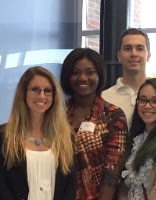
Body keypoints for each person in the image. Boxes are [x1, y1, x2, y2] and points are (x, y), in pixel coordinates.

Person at [0, 66, 76, 200]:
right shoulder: (4, 136)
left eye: (47, 91)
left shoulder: (66, 136)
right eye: (35, 90)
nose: (42, 95)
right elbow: (0, 186)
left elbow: (70, 186)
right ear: (23, 93)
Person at [59, 48, 127, 200]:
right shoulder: (57, 114)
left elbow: (112, 171)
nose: (83, 78)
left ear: (99, 75)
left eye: (90, 72)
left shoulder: (113, 115)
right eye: (76, 72)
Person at [102, 28, 156, 127]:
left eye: (140, 48)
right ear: (119, 56)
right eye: (127, 48)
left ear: (148, 55)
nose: (134, 54)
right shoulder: (105, 97)